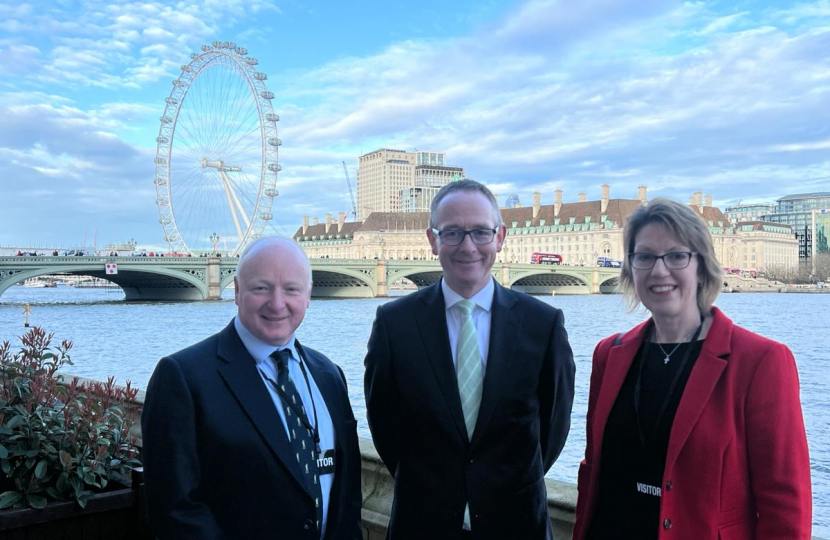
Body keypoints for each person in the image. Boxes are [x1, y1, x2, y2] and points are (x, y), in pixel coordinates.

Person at [574, 198, 812, 540]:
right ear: (630, 268)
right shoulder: (608, 356)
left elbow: (785, 506)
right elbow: (593, 470)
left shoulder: (760, 362)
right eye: (644, 257)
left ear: (701, 266)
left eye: (676, 255)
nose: (659, 270)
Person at [364, 179, 575, 540]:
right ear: (432, 240)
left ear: (500, 237)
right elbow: (384, 424)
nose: (467, 246)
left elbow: (554, 428)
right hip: (423, 524)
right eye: (452, 233)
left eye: (480, 232)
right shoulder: (394, 325)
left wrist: (505, 481)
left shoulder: (543, 325)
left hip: (516, 523)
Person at [142, 237, 362, 540]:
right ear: (236, 291)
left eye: (291, 289)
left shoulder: (329, 376)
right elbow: (177, 510)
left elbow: (347, 496)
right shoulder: (183, 378)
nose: (277, 303)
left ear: (309, 295)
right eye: (261, 287)